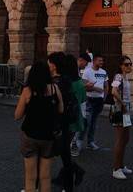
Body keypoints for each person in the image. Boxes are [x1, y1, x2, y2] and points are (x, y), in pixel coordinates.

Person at [15, 61, 63, 192]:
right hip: (48, 135)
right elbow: (61, 109)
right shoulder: (54, 88)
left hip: (30, 134)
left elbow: (17, 115)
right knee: (45, 176)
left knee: (30, 177)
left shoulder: (28, 90)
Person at [49, 52, 86, 191]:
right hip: (75, 120)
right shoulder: (78, 83)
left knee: (60, 151)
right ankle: (66, 178)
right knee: (63, 151)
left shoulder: (64, 82)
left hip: (66, 122)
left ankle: (71, 175)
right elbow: (83, 99)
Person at [111, 55, 133, 180]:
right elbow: (113, 91)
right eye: (126, 64)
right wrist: (123, 103)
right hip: (121, 110)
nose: (129, 66)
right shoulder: (118, 76)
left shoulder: (125, 77)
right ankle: (116, 168)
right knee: (120, 139)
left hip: (126, 110)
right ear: (121, 66)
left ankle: (121, 165)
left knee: (126, 138)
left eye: (130, 64)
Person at [81, 53, 107, 150]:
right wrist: (96, 89)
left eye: (102, 61)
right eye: (99, 60)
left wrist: (104, 97)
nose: (101, 62)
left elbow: (106, 86)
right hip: (89, 99)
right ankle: (78, 141)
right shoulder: (87, 72)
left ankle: (90, 142)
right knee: (86, 122)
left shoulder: (104, 72)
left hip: (99, 100)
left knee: (94, 122)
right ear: (94, 61)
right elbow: (84, 87)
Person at [66, 54, 87, 158]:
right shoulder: (79, 82)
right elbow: (83, 98)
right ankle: (73, 144)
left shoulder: (61, 81)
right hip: (75, 113)